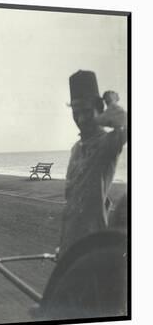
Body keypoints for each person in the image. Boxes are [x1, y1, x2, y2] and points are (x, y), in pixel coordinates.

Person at [57, 70, 127, 257]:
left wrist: (111, 102)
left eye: (86, 111)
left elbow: (125, 121)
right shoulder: (76, 149)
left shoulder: (108, 143)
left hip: (92, 248)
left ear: (99, 109)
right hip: (70, 247)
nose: (80, 119)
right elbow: (70, 205)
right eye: (75, 112)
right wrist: (62, 246)